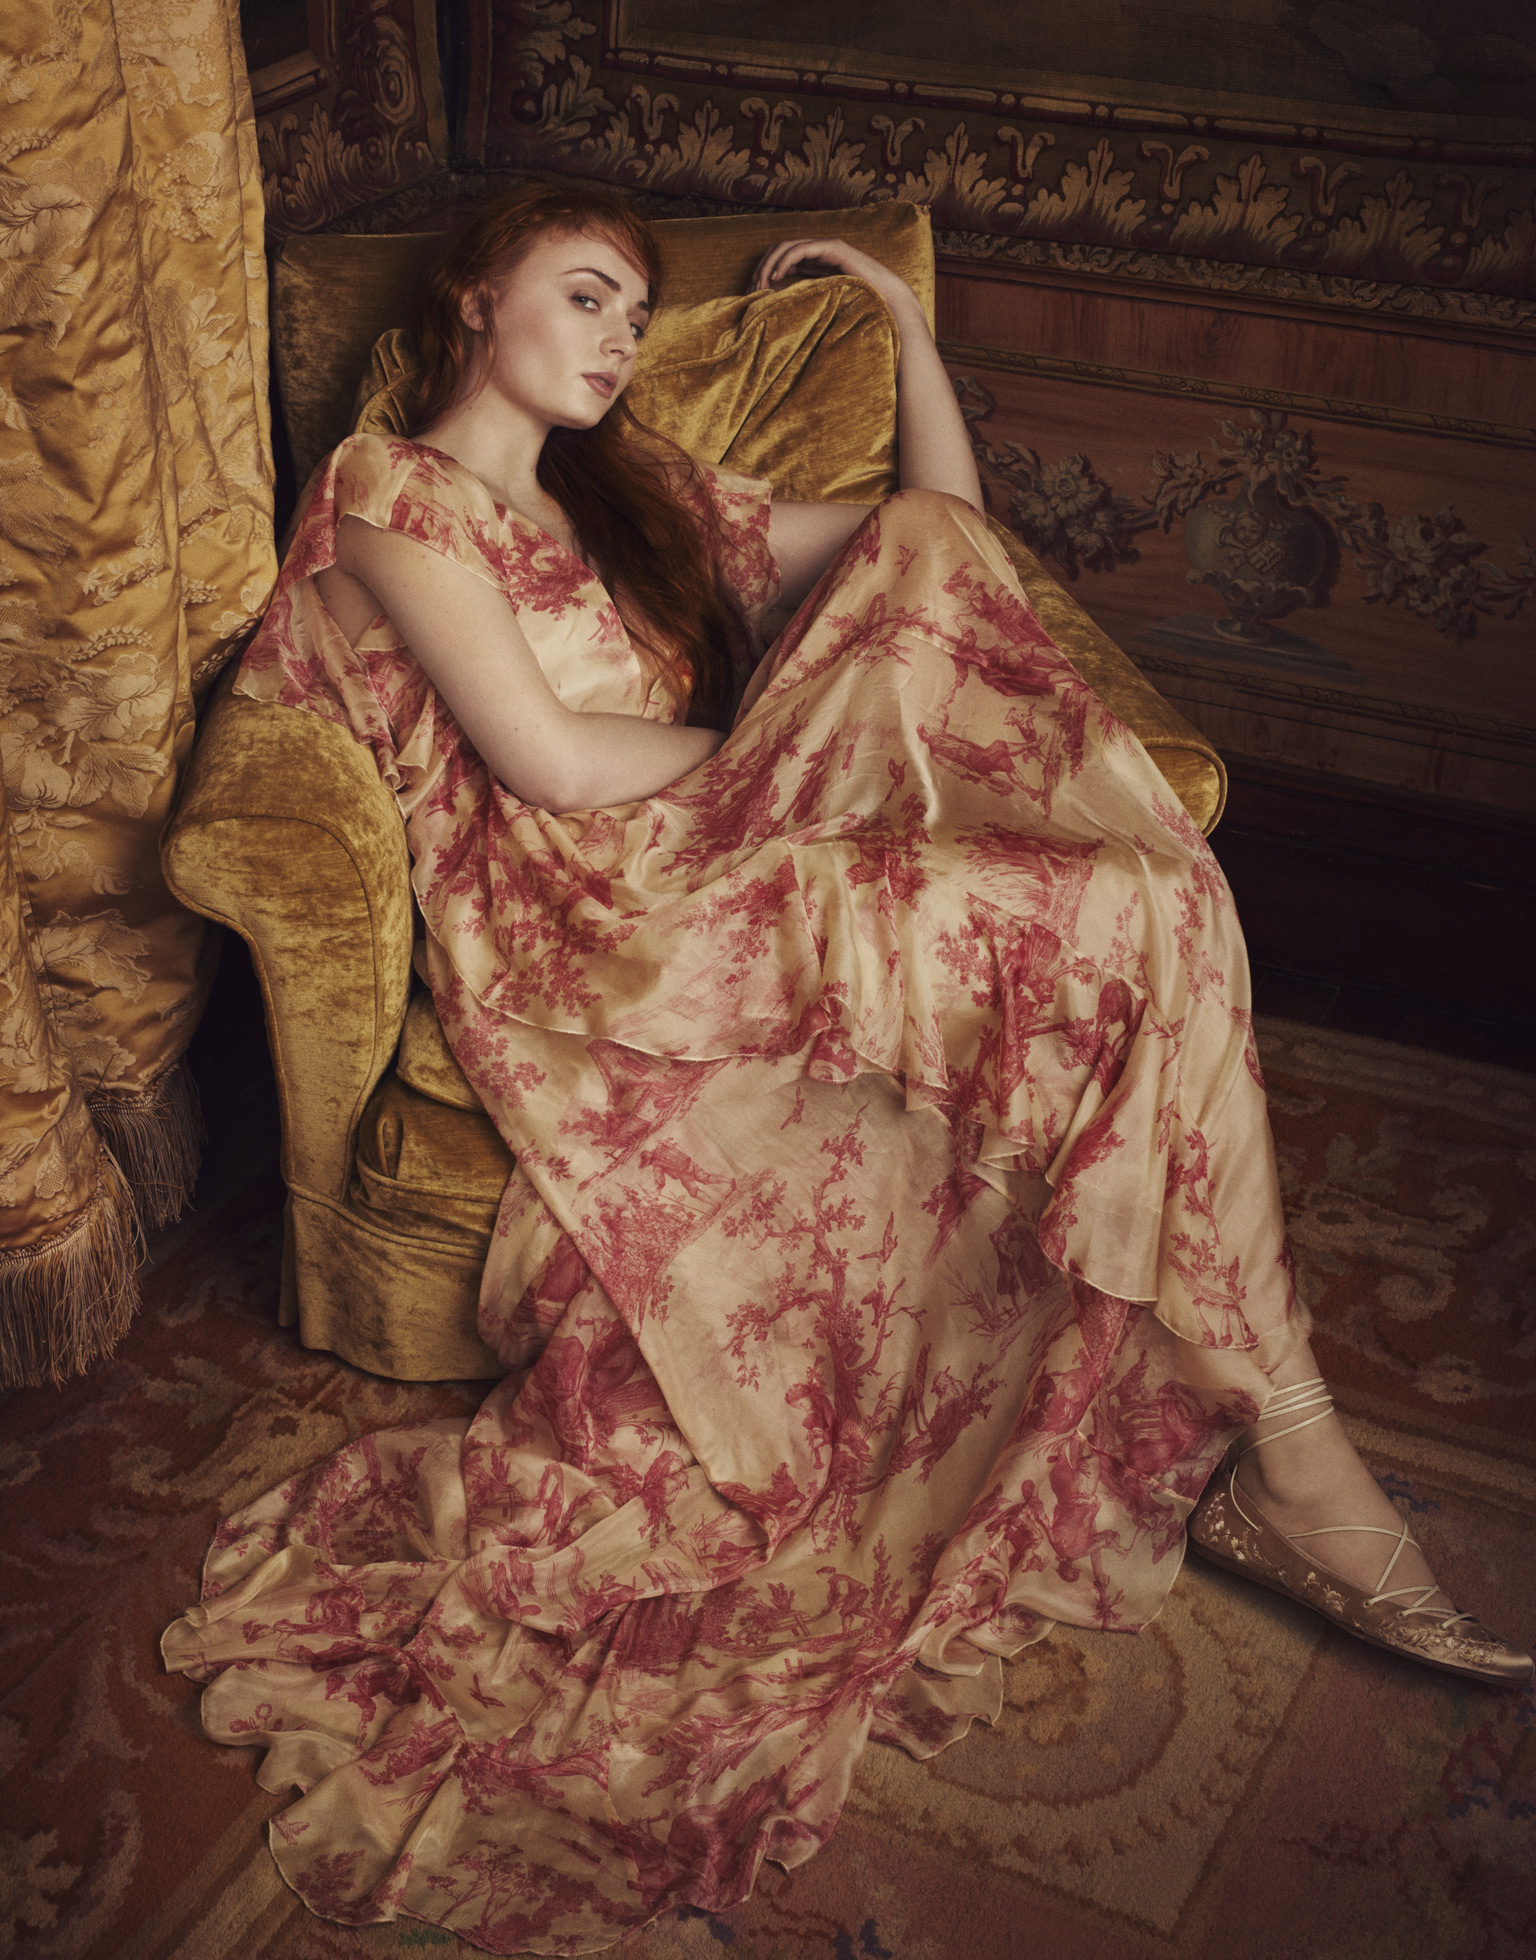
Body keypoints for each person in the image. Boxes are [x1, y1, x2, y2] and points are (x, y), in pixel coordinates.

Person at [162, 180, 1530, 1955]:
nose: (616, 336)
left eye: (634, 310)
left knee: (1144, 892)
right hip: (590, 920)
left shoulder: (638, 502)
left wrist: (899, 321)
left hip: (725, 852)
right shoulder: (387, 491)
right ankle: (1298, 1456)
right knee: (1109, 898)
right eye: (584, 293)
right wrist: (799, 760)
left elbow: (941, 532)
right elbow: (551, 764)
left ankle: (1289, 1434)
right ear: (478, 296)